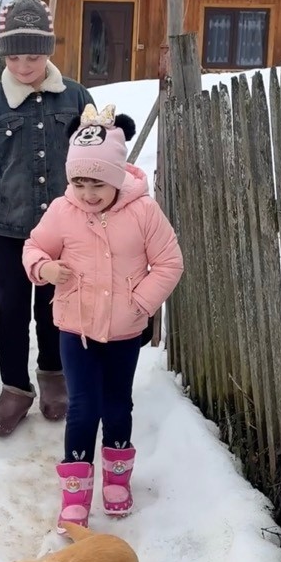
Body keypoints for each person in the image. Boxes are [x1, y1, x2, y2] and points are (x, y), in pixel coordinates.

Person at [21, 103, 184, 536]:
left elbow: (169, 263)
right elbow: (33, 248)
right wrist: (45, 269)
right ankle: (75, 493)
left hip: (125, 331)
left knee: (116, 405)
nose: (88, 194)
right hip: (75, 328)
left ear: (116, 177)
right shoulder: (62, 210)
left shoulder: (144, 212)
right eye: (79, 182)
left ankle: (115, 479)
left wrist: (139, 304)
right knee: (82, 407)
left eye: (97, 183)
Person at [0, 0, 97, 438]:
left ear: (49, 50)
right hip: (10, 231)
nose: (25, 65)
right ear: (3, 54)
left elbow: (98, 157)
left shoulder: (77, 97)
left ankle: (54, 378)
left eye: (34, 54)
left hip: (66, 231)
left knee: (55, 308)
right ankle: (14, 389)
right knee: (12, 311)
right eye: (14, 56)